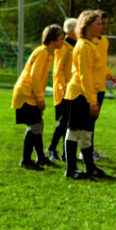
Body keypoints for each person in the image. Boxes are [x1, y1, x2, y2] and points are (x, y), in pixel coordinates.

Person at [63, 10, 109, 180]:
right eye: (98, 23)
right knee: (74, 130)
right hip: (79, 94)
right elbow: (84, 75)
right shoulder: (82, 45)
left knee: (87, 132)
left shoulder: (91, 44)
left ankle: (90, 167)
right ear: (88, 26)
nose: (101, 27)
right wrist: (92, 101)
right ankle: (71, 169)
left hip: (89, 94)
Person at [11, 24, 64, 170]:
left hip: (31, 94)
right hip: (26, 93)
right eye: (61, 38)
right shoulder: (43, 53)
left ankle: (40, 157)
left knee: (39, 124)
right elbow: (35, 77)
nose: (63, 41)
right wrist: (40, 99)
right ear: (53, 39)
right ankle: (26, 160)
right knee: (34, 125)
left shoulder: (48, 53)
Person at [47, 18, 78, 162]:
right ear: (71, 31)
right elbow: (58, 71)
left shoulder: (73, 46)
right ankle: (51, 148)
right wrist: (63, 87)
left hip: (71, 89)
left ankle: (66, 154)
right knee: (64, 121)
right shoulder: (63, 47)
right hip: (64, 91)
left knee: (69, 122)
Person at [91, 10, 116, 160]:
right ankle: (83, 152)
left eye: (105, 23)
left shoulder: (104, 41)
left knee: (92, 121)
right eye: (100, 23)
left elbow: (102, 64)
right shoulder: (87, 42)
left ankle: (89, 150)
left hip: (100, 86)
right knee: (83, 123)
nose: (103, 26)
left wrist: (110, 75)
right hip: (89, 87)